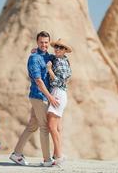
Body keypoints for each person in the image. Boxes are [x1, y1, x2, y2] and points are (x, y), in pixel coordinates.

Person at [10, 31, 59, 167]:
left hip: (43, 97)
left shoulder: (47, 56)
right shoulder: (34, 58)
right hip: (39, 96)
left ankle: (16, 154)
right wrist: (50, 97)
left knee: (32, 126)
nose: (44, 44)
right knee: (44, 127)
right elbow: (38, 80)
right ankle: (47, 160)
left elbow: (57, 58)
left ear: (48, 43)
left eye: (46, 42)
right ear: (37, 42)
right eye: (41, 42)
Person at [46, 38, 72, 166]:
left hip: (58, 93)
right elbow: (50, 56)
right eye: (56, 46)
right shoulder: (60, 59)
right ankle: (57, 155)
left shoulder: (61, 63)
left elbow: (60, 82)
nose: (57, 49)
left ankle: (59, 155)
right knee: (57, 127)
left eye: (60, 48)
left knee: (51, 126)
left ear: (65, 50)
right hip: (59, 93)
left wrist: (49, 70)